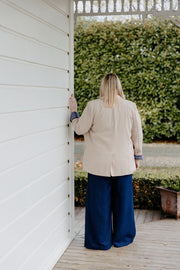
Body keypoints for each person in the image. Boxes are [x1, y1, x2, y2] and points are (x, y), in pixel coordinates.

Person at [69, 73, 143, 250]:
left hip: (97, 165)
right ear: (119, 86)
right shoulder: (130, 106)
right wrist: (137, 156)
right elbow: (137, 134)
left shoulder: (93, 106)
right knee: (123, 204)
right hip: (124, 163)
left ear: (103, 86)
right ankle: (122, 239)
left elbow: (79, 128)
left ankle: (99, 241)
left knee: (98, 206)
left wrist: (73, 111)